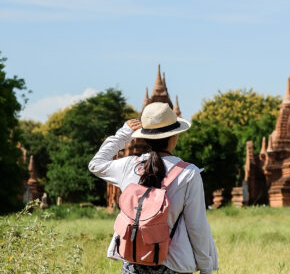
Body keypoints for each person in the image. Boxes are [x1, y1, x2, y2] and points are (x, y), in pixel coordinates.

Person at [89, 102, 218, 274]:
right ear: (175, 136)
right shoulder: (188, 174)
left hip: (133, 263)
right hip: (174, 265)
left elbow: (96, 164)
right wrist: (206, 268)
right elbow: (197, 227)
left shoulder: (129, 166)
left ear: (145, 138)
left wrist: (123, 134)